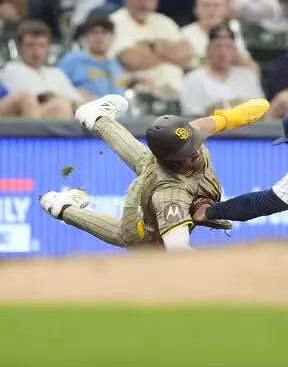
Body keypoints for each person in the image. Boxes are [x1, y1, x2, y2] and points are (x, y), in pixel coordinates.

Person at [39, 94, 270, 252]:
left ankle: (95, 117)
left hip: (160, 172)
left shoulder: (186, 140)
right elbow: (178, 249)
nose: (197, 151)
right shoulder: (169, 195)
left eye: (195, 143)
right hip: (144, 222)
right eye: (187, 152)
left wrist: (235, 116)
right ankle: (61, 207)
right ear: (170, 159)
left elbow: (221, 120)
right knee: (126, 236)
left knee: (144, 160)